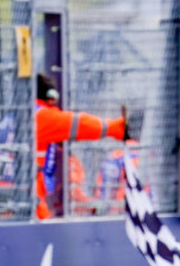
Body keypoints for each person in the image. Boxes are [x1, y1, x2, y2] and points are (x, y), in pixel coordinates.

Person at [35, 74, 127, 218]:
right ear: (50, 98)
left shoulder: (16, 116)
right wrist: (116, 128)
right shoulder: (41, 116)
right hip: (28, 203)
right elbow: (79, 124)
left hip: (4, 199)